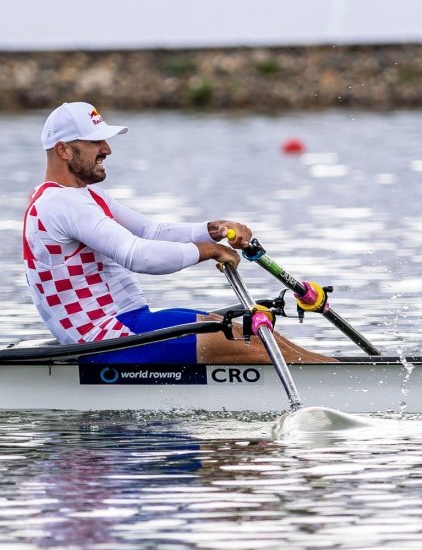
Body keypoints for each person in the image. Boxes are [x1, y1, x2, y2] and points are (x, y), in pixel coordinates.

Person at [24, 101, 333, 364]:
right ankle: (342, 381)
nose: (107, 149)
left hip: (129, 324)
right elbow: (138, 255)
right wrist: (209, 251)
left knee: (248, 331)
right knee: (250, 342)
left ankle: (337, 371)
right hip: (107, 340)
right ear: (64, 150)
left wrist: (213, 230)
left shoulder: (83, 196)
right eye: (95, 142)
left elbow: (150, 230)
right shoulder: (61, 203)